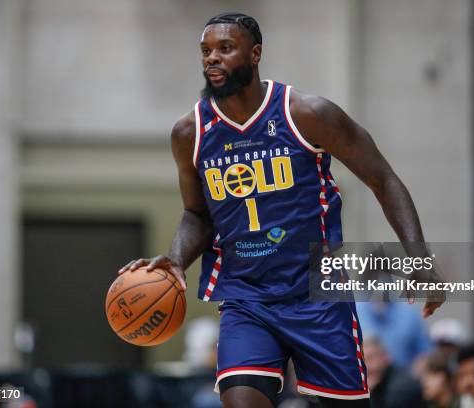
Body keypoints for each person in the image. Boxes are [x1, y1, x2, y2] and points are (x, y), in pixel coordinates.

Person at [119, 12, 442, 408]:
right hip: (246, 296)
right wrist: (175, 258)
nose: (212, 59)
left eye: (225, 48)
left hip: (316, 293)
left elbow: (384, 179)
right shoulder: (190, 133)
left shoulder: (307, 114)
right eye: (205, 51)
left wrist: (418, 256)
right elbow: (198, 213)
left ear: (255, 54)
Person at [364, 337, 426, 408]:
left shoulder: (401, 388)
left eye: (370, 358)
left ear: (386, 357)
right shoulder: (376, 384)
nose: (366, 365)